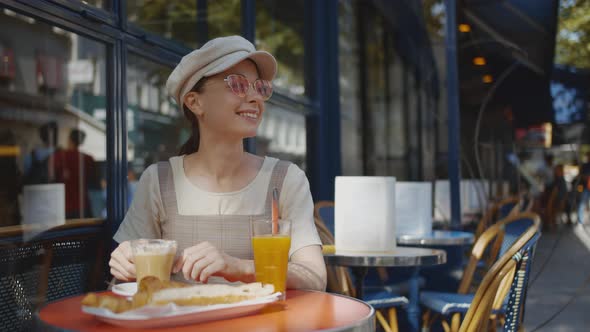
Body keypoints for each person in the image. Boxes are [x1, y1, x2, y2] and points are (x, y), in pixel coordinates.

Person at [109, 35, 327, 291]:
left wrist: (239, 267)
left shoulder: (286, 179)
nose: (256, 97)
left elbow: (315, 278)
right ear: (195, 102)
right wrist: (125, 267)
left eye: (260, 87)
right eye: (237, 84)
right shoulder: (158, 180)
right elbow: (129, 284)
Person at [53, 128, 99, 219]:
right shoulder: (88, 159)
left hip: (63, 205)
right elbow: (94, 181)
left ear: (69, 139)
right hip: (83, 205)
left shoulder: (59, 156)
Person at [577, 152, 590, 224]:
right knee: (582, 204)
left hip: (586, 188)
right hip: (585, 188)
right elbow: (581, 175)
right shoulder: (584, 166)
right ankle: (580, 221)